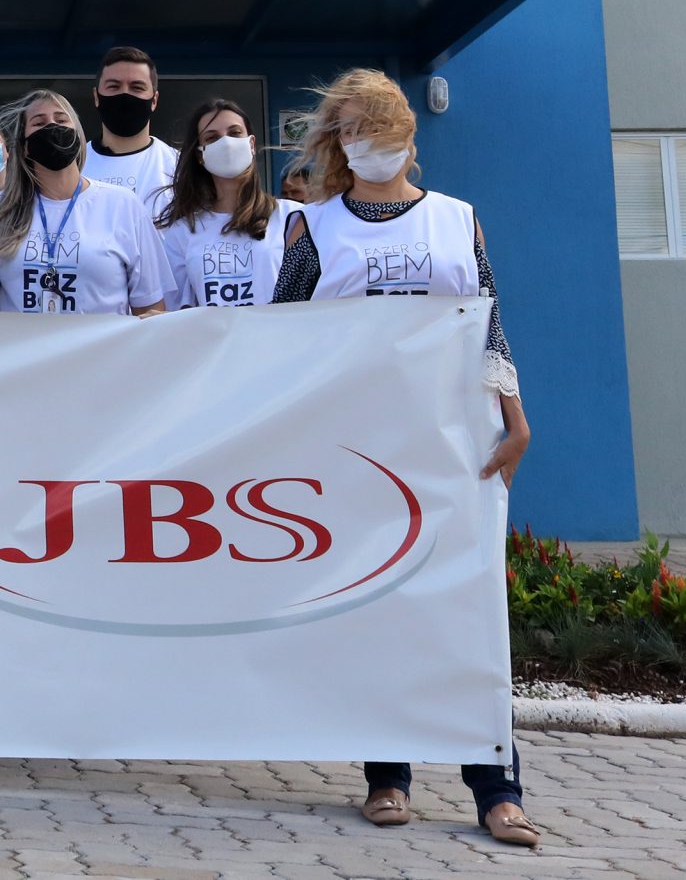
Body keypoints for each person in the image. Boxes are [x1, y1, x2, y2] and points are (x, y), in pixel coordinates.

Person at [271, 68, 537, 850]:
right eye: (351, 128)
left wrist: (516, 421)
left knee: (469, 612)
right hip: (357, 450)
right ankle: (386, 777)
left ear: (408, 134)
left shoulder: (458, 219)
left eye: (378, 125)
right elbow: (277, 339)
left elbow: (489, 325)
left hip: (455, 445)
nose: (367, 141)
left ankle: (498, 788)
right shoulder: (313, 228)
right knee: (377, 607)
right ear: (336, 141)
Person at [0, 90, 170, 316]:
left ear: (78, 135)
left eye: (61, 120)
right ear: (24, 146)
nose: (52, 127)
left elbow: (150, 308)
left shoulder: (123, 205)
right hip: (23, 340)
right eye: (39, 123)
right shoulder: (2, 208)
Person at [155, 99, 296, 310]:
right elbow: (174, 313)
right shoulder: (181, 233)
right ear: (200, 155)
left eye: (235, 133)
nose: (226, 143)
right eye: (212, 138)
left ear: (251, 144)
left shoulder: (293, 217)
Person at [86, 46, 178, 220]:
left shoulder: (179, 168)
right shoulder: (74, 166)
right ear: (96, 97)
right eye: (114, 86)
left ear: (154, 100)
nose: (125, 94)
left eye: (137, 87)